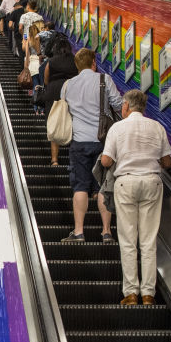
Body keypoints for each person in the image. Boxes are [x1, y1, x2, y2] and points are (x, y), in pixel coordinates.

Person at [100, 89, 171, 305]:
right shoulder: (157, 127)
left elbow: (105, 161)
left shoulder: (118, 128)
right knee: (148, 241)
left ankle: (131, 293)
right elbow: (167, 162)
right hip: (152, 182)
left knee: (128, 240)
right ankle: (149, 294)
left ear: (125, 106)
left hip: (126, 183)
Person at [60, 48, 121, 242]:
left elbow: (65, 109)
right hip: (103, 142)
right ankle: (106, 232)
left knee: (80, 186)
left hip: (79, 141)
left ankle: (78, 232)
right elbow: (119, 104)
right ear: (93, 62)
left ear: (77, 65)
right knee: (103, 187)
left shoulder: (68, 85)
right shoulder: (104, 80)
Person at [43, 35, 77, 165]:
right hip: (71, 91)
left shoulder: (51, 61)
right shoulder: (75, 61)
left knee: (54, 122)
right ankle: (72, 158)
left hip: (53, 91)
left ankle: (54, 159)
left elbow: (46, 80)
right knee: (71, 121)